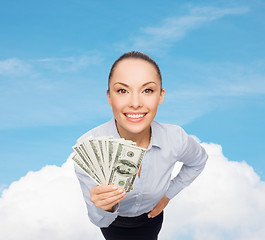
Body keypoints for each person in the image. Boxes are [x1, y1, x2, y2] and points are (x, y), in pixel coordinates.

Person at [74, 51, 208, 240]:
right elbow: (99, 220)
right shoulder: (89, 148)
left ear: (161, 96)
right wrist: (103, 207)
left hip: (152, 218)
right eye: (122, 91)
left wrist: (168, 194)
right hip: (113, 224)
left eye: (147, 90)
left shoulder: (175, 138)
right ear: (109, 97)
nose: (135, 103)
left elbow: (198, 162)